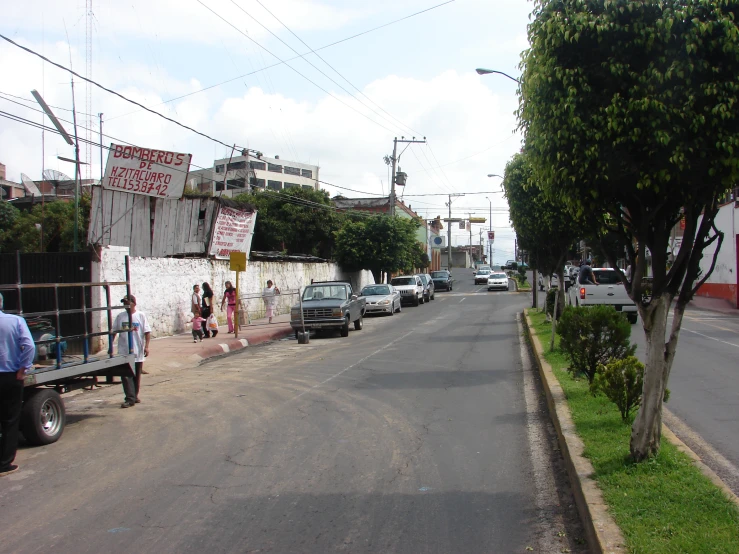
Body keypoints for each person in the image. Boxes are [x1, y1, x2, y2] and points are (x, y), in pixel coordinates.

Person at [0, 292, 35, 476]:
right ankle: (4, 464)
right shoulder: (15, 321)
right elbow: (29, 346)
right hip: (10, 377)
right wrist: (23, 368)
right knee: (10, 419)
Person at [111, 295, 151, 409]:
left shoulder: (140, 316)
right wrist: (110, 346)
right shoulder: (120, 317)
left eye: (127, 302)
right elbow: (114, 331)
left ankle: (134, 395)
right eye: (124, 303)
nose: (125, 305)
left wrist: (146, 347)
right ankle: (130, 398)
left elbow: (147, 332)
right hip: (124, 351)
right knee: (126, 375)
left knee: (136, 376)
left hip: (137, 351)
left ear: (134, 303)